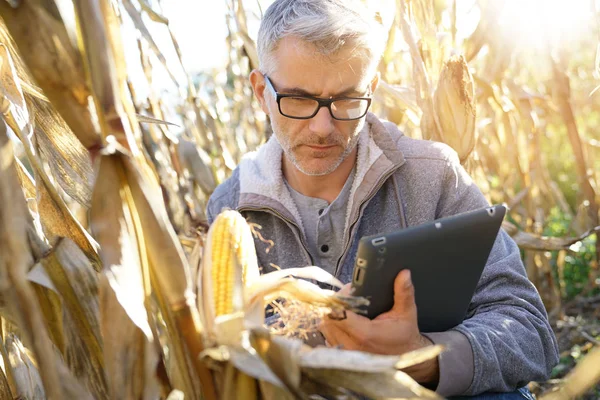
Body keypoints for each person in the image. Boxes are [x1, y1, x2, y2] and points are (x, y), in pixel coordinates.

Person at [206, 0, 559, 398]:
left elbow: (530, 333)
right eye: (299, 100)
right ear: (260, 91)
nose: (323, 127)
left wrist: (424, 357)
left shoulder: (433, 174)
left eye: (346, 99)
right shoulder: (229, 206)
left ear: (371, 89)